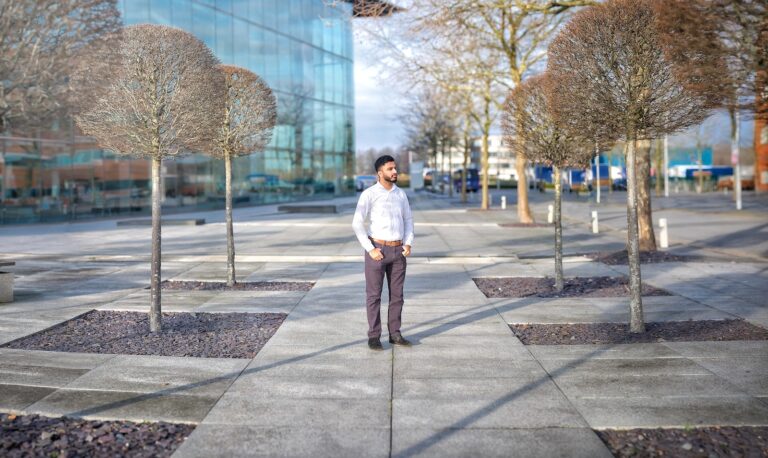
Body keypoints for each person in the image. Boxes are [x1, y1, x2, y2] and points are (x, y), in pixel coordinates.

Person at [352, 155, 414, 350]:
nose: (395, 172)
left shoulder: (400, 194)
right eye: (390, 169)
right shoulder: (369, 194)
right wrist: (370, 249)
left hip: (398, 252)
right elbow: (357, 223)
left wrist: (408, 243)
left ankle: (395, 334)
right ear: (380, 173)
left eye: (395, 168)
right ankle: (374, 336)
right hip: (377, 251)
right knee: (374, 296)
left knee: (397, 296)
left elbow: (408, 220)